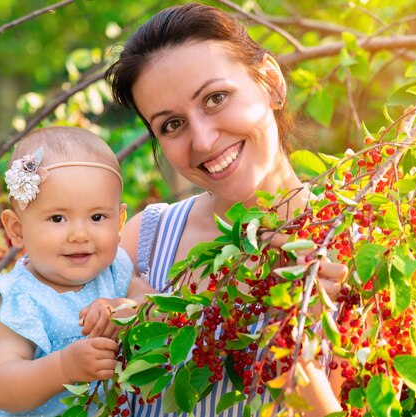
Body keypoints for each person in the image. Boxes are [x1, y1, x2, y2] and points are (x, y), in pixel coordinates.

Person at [106, 3, 347, 416]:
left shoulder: (353, 252)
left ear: (271, 82)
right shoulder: (141, 243)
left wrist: (295, 346)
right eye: (171, 124)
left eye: (216, 98)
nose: (202, 140)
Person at [0, 126, 155, 416]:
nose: (79, 234)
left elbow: (157, 304)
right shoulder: (17, 300)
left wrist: (126, 307)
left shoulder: (114, 270)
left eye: (97, 217)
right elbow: (2, 386)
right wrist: (63, 366)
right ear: (16, 230)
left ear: (120, 222)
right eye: (58, 218)